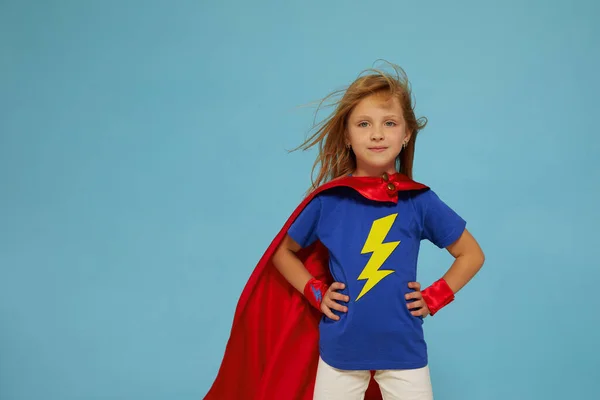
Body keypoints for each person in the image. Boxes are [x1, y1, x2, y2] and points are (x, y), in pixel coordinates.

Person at [203, 61, 485, 400]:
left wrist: (433, 297)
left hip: (404, 352)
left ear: (406, 133)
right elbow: (283, 252)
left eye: (389, 123)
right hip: (340, 354)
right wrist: (315, 292)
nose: (377, 133)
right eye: (364, 124)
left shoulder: (419, 201)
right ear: (348, 136)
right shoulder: (330, 201)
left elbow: (471, 254)